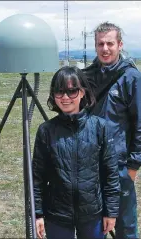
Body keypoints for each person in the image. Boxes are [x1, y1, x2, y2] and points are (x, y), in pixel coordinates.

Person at [32, 66, 120, 239]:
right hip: (57, 215)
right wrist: (37, 213)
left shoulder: (100, 127)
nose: (65, 97)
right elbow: (37, 177)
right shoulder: (46, 131)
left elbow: (111, 174)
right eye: (60, 91)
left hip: (92, 213)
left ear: (82, 93)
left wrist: (111, 212)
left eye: (72, 91)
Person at [83, 22, 141, 239]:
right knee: (92, 224)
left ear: (120, 45)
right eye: (100, 44)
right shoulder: (87, 76)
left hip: (119, 165)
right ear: (95, 46)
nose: (105, 49)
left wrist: (133, 167)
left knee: (125, 226)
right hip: (89, 163)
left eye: (110, 43)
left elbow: (140, 124)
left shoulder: (131, 77)